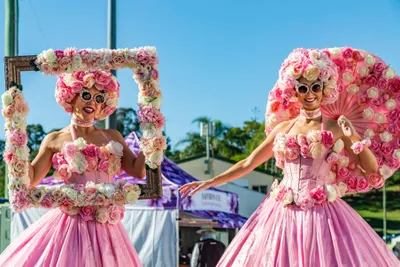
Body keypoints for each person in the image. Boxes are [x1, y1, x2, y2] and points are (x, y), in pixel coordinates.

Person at [180, 48, 400, 266]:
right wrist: (210, 181)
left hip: (321, 214)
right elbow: (248, 163)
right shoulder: (283, 128)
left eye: (315, 86)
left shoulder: (336, 127)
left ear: (325, 88)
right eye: (303, 87)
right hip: (281, 213)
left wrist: (352, 137)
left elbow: (371, 170)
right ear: (294, 90)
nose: (310, 93)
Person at [0, 70, 145, 266]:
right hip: (70, 227)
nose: (92, 102)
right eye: (86, 94)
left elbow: (138, 171)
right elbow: (31, 179)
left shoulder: (113, 136)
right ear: (71, 95)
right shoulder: (54, 139)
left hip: (107, 228)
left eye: (99, 98)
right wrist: (17, 147)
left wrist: (152, 143)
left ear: (104, 104)